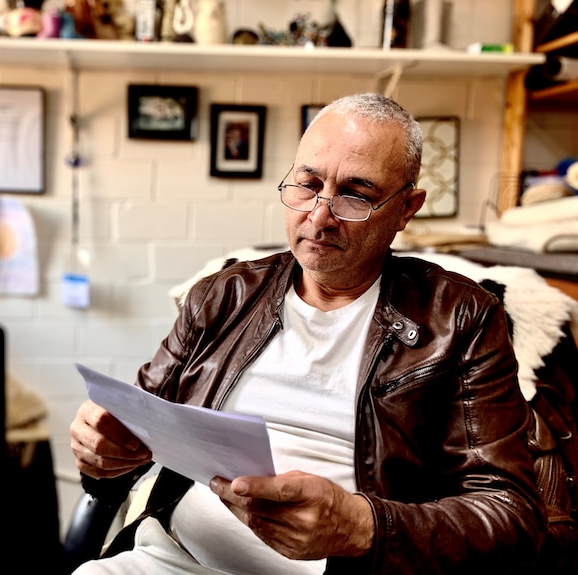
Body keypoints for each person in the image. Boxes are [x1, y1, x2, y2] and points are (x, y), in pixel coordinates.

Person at [69, 93, 546, 574]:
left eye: (356, 194)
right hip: (173, 558)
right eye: (308, 184)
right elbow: (134, 438)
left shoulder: (461, 319)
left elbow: (512, 517)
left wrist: (362, 527)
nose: (319, 217)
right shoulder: (225, 296)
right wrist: (102, 453)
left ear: (407, 208)